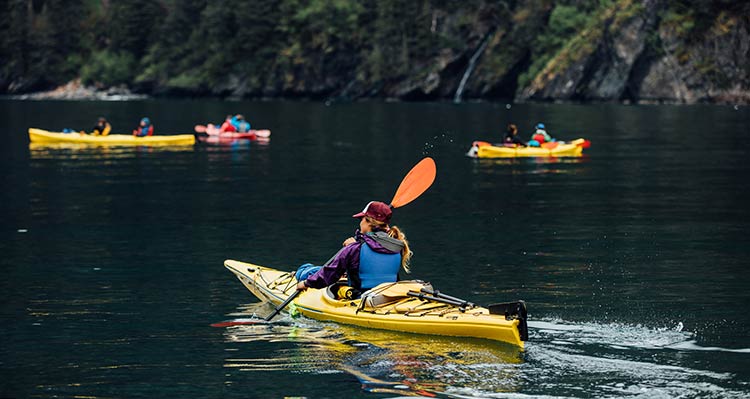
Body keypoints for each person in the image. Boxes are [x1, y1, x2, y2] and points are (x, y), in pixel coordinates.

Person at [295, 201, 412, 297]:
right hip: (388, 296)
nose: (360, 223)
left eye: (361, 219)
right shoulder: (397, 246)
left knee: (307, 271)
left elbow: (328, 275)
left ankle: (299, 274)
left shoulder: (355, 248)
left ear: (368, 222)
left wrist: (305, 284)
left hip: (360, 298)